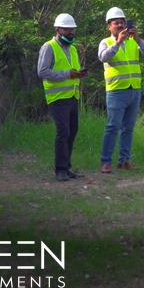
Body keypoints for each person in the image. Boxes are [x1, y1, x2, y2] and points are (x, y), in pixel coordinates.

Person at [97, 7, 144, 174]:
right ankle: (106, 162)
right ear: (109, 26)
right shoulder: (106, 42)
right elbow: (103, 57)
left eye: (122, 22)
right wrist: (118, 42)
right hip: (116, 91)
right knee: (113, 126)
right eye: (116, 23)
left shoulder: (132, 42)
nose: (120, 26)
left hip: (134, 89)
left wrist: (137, 38)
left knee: (128, 127)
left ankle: (124, 160)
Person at [37, 13, 86, 182]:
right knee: (63, 132)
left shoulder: (72, 49)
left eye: (72, 29)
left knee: (72, 132)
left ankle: (67, 167)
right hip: (57, 98)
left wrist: (79, 74)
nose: (71, 32)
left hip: (72, 96)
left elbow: (71, 71)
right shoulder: (48, 47)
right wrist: (67, 74)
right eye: (67, 29)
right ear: (58, 29)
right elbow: (42, 71)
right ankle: (60, 169)